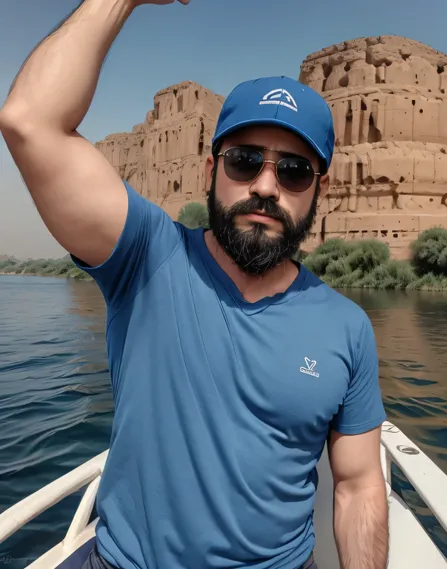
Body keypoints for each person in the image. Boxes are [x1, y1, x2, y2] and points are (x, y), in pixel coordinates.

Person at [0, 0, 389, 568]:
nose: (266, 185)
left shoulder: (347, 328)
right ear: (210, 172)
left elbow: (357, 487)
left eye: (293, 170)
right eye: (245, 160)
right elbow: (29, 121)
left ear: (318, 191)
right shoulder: (146, 257)